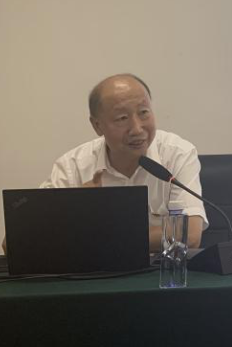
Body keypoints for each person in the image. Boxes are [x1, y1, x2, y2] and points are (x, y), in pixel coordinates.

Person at [40, 73, 207, 251]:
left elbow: (190, 235)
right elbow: (29, 238)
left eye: (144, 112)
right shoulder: (72, 167)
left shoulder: (177, 153)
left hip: (158, 267)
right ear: (97, 126)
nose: (137, 129)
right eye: (122, 118)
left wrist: (94, 232)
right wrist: (74, 209)